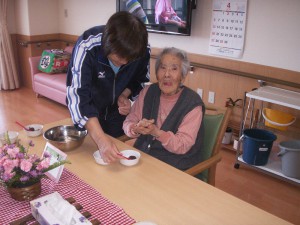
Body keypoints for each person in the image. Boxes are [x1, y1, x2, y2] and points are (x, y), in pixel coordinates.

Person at [66, 11, 150, 163]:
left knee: (113, 159)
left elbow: (139, 80)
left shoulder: (141, 50)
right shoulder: (88, 45)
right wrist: (100, 139)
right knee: (88, 161)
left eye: (129, 59)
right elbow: (78, 96)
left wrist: (125, 94)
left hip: (116, 115)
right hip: (89, 113)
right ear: (108, 43)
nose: (124, 62)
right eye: (119, 56)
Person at [123, 47, 205, 170]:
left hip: (176, 166)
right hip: (144, 159)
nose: (167, 74)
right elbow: (129, 120)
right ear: (156, 73)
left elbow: (182, 145)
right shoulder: (148, 92)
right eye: (163, 68)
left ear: (183, 76)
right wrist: (135, 128)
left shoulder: (192, 104)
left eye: (174, 69)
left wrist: (157, 133)